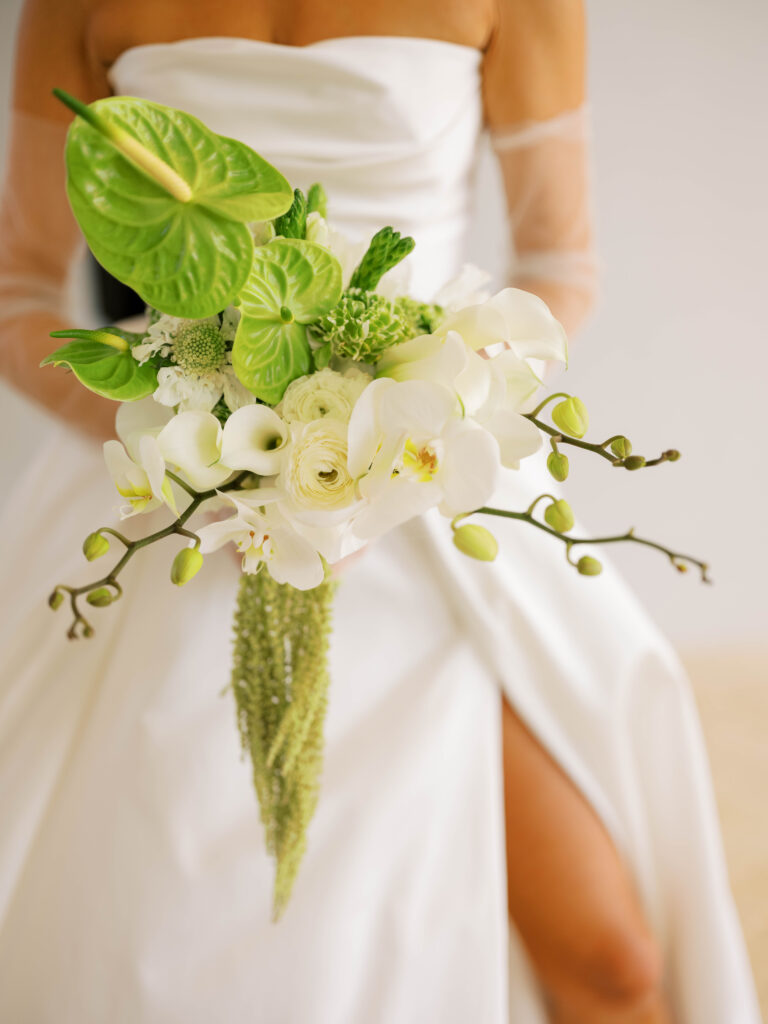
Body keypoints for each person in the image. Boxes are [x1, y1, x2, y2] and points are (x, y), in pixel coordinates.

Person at [0, 2, 759, 1022]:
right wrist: (198, 445)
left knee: (613, 960)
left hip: (426, 466)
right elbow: (20, 293)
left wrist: (410, 428)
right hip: (175, 491)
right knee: (170, 944)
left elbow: (560, 267)